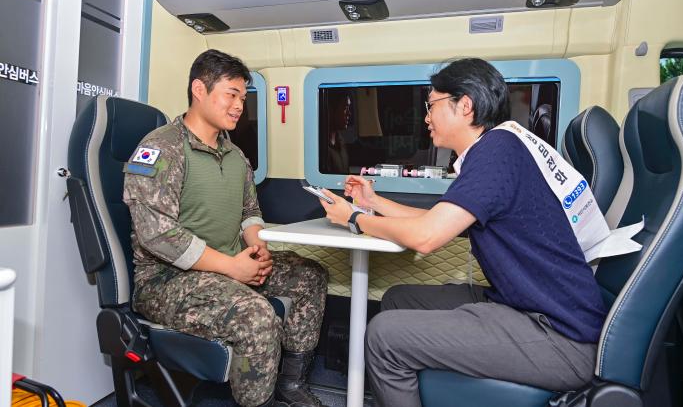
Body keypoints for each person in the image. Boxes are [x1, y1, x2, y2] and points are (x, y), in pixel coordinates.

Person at [318, 58, 607, 407]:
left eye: (432, 105)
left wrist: (354, 218)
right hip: (524, 307)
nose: (426, 117)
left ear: (465, 105)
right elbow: (437, 220)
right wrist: (372, 200)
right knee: (398, 298)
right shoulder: (495, 150)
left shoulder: (497, 152)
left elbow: (427, 236)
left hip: (560, 337)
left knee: (383, 336)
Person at [123, 49, 329, 407]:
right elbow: (158, 233)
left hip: (228, 264)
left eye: (243, 97)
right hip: (166, 280)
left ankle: (290, 386)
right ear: (199, 90)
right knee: (257, 316)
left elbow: (249, 210)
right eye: (231, 94)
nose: (239, 106)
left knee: (309, 275)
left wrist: (257, 245)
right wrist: (232, 266)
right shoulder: (161, 148)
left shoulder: (236, 156)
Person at [321, 95, 351, 174]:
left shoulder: (341, 141)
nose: (349, 113)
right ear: (331, 110)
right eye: (345, 108)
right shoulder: (319, 145)